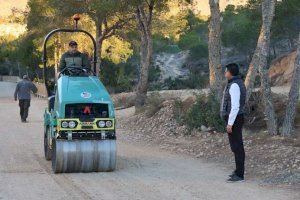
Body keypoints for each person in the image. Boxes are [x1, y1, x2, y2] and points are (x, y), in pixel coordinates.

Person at [220, 63, 246, 182]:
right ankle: (237, 171)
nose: (225, 73)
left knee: (237, 146)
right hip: (235, 118)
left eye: (226, 71)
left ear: (231, 73)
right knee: (236, 146)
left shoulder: (234, 85)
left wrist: (230, 123)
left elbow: (235, 106)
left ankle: (240, 175)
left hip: (235, 119)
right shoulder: (235, 83)